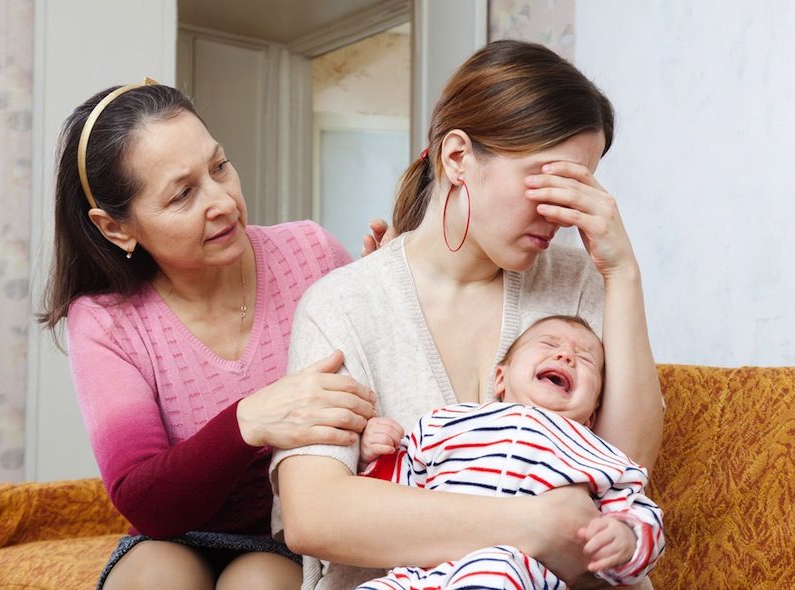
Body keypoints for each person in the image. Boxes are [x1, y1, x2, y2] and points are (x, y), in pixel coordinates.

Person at [272, 39, 665, 590]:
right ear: (458, 158)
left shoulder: (580, 280)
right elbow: (315, 514)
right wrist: (533, 525)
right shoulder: (344, 305)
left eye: (579, 187)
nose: (560, 213)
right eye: (549, 180)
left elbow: (624, 468)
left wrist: (622, 273)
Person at [38, 79, 386, 590]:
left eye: (219, 167)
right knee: (158, 577)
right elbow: (145, 500)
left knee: (259, 581)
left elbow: (380, 396)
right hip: (172, 534)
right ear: (117, 229)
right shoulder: (106, 319)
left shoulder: (311, 252)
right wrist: (249, 421)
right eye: (183, 194)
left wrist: (386, 300)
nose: (221, 201)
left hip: (291, 534)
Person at [357, 315, 665, 589]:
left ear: (591, 416)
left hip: (511, 571)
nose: (565, 355)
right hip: (418, 570)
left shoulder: (596, 453)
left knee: (497, 570)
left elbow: (640, 510)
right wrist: (376, 453)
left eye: (585, 359)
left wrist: (626, 539)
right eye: (548, 343)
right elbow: (398, 488)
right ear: (501, 378)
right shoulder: (446, 421)